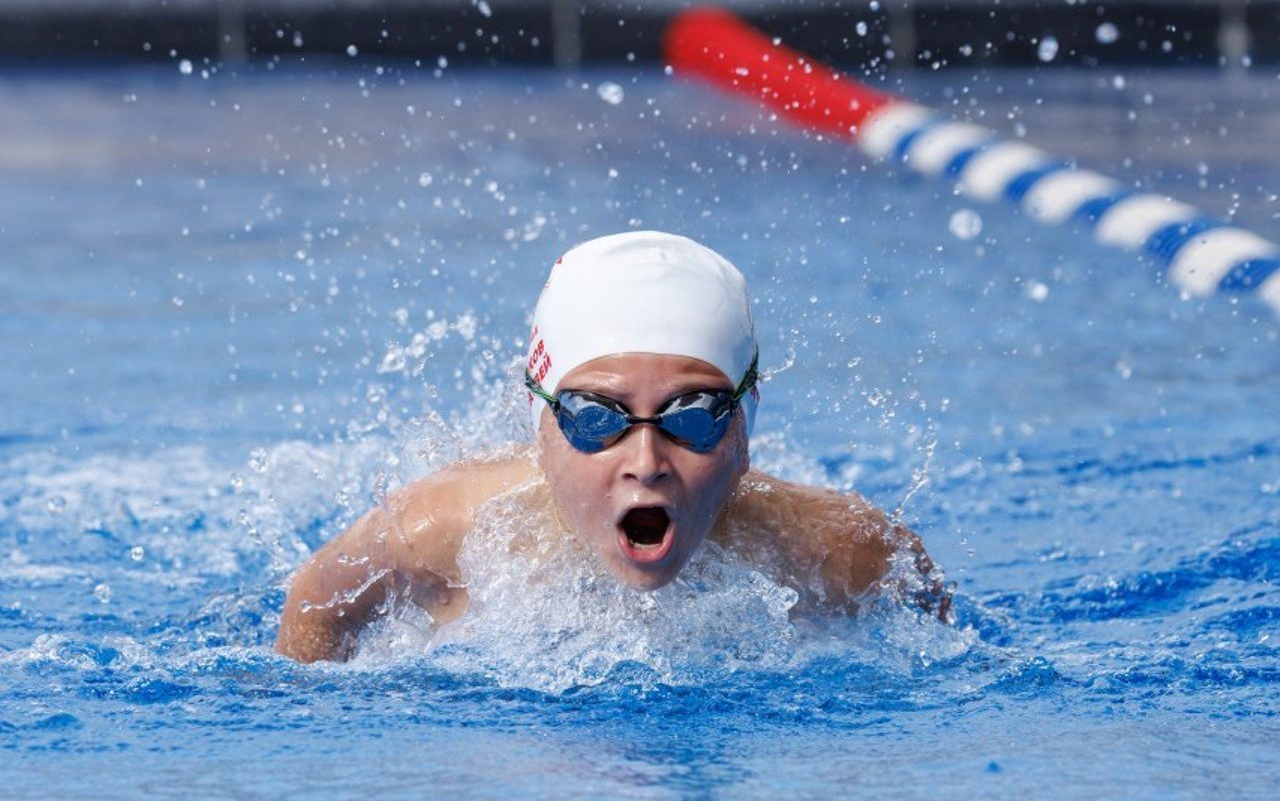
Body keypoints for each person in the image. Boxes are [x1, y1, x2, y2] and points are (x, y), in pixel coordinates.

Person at [275, 230, 949, 663]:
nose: (646, 462)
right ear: (540, 428)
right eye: (596, 420)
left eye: (692, 417)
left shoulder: (848, 553)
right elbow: (312, 608)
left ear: (745, 428)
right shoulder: (436, 534)